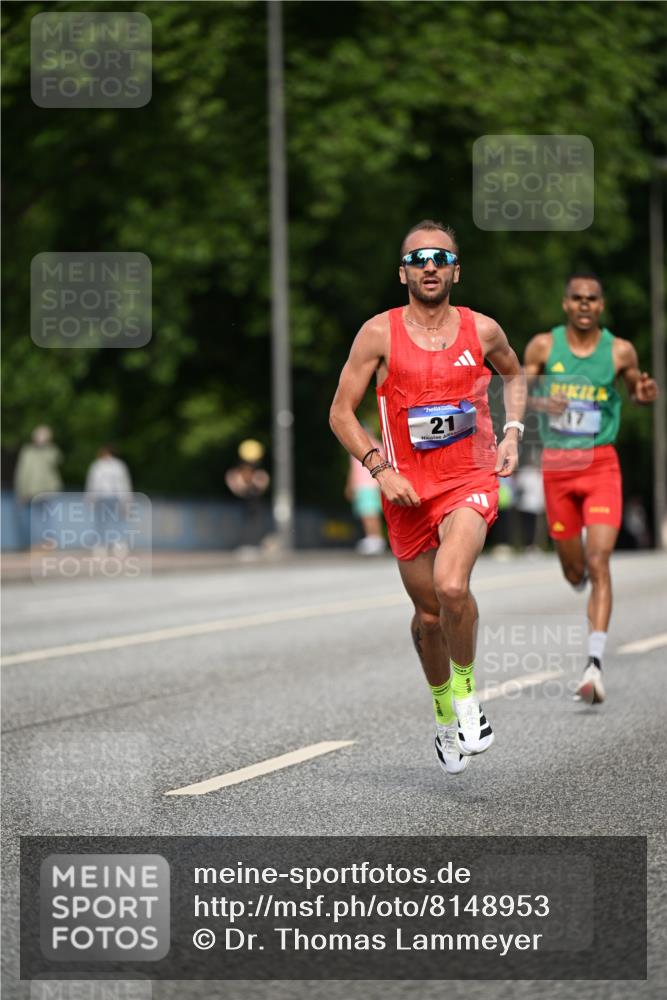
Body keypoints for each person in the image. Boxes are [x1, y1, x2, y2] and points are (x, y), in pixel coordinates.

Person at [330, 220, 526, 776]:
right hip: (407, 493)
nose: (430, 265)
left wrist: (512, 432)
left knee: (451, 585)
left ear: (456, 270)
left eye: (441, 257)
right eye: (419, 259)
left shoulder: (483, 331)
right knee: (429, 617)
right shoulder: (378, 334)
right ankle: (444, 717)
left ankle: (467, 701)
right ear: (403, 273)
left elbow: (514, 375)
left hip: (469, 480)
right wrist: (378, 468)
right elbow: (340, 412)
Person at [524, 273, 659, 704]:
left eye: (592, 299)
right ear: (565, 303)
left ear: (601, 306)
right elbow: (518, 391)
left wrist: (643, 394)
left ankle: (594, 665)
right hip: (558, 467)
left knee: (600, 561)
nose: (584, 304)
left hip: (601, 464)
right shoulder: (544, 346)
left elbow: (636, 389)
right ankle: (575, 569)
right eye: (577, 298)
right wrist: (546, 402)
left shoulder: (619, 350)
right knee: (574, 571)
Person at [13, 425, 63, 548]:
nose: (40, 439)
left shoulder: (50, 451)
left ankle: (49, 541)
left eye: (43, 436)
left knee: (48, 518)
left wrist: (47, 445)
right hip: (31, 490)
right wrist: (20, 491)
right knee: (31, 518)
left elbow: (57, 459)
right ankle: (34, 543)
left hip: (47, 489)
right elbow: (22, 472)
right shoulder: (27, 451)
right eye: (38, 436)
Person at [84, 445, 133, 556]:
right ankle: (101, 545)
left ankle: (118, 545)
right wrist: (90, 496)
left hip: (115, 497)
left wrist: (126, 498)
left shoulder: (118, 465)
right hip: (101, 497)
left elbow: (124, 482)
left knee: (117, 521)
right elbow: (92, 482)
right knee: (101, 522)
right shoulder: (97, 465)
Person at [345, 429, 386, 555]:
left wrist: (350, 485)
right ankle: (374, 538)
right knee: (370, 513)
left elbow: (353, 470)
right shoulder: (378, 445)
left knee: (369, 513)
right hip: (373, 484)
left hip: (365, 485)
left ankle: (374, 539)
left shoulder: (356, 447)